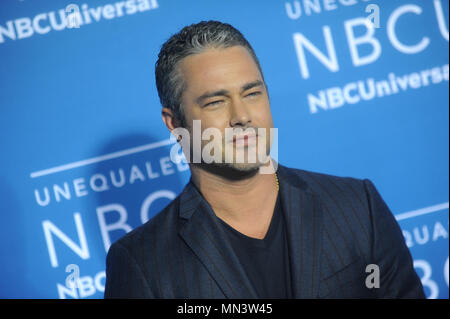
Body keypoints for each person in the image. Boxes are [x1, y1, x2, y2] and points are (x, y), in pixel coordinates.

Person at [104, 20, 425, 299]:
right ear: (175, 124)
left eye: (252, 93)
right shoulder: (142, 262)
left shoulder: (358, 207)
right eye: (216, 102)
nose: (241, 115)